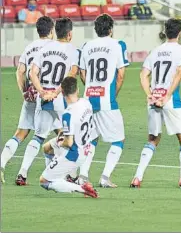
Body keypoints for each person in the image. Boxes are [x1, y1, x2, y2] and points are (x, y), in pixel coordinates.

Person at [130, 18, 181, 189]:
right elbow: (179, 73)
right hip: (170, 100)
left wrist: (150, 95)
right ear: (179, 33)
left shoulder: (155, 51)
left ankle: (137, 177)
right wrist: (167, 95)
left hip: (154, 98)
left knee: (153, 139)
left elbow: (143, 75)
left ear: (165, 32)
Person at [15, 18, 79, 186]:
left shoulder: (45, 48)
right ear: (70, 33)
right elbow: (72, 73)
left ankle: (22, 173)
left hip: (42, 99)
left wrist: (42, 92)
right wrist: (56, 92)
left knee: (38, 136)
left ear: (55, 31)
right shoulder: (72, 50)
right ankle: (71, 174)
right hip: (60, 99)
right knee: (69, 135)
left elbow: (32, 73)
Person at [0, 17, 59, 183]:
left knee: (21, 133)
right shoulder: (55, 47)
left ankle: (2, 162)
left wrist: (24, 92)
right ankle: (27, 173)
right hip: (49, 96)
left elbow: (19, 71)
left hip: (31, 95)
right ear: (51, 30)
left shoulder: (30, 47)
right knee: (57, 133)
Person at [76, 14, 129, 188]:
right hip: (107, 101)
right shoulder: (118, 45)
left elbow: (82, 73)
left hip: (88, 100)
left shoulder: (86, 46)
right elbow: (121, 74)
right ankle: (105, 177)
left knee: (90, 139)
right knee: (118, 140)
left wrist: (90, 88)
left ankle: (82, 176)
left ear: (96, 30)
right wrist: (113, 94)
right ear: (111, 29)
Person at [39, 76, 98, 198]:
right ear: (77, 90)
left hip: (74, 153)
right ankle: (56, 174)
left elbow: (69, 142)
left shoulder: (68, 114)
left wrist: (61, 143)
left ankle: (81, 188)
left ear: (63, 93)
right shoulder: (86, 103)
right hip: (85, 146)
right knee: (47, 148)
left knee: (44, 181)